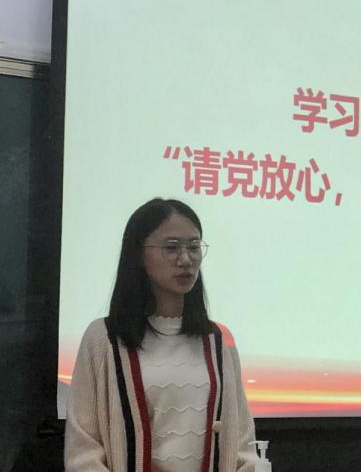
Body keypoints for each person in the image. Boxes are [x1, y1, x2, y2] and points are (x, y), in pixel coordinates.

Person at [65, 198, 256, 472]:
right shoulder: (103, 338)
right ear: (138, 255)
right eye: (171, 248)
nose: (186, 259)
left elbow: (243, 443)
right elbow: (83, 451)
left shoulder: (218, 340)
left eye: (194, 247)